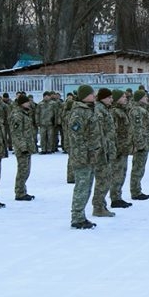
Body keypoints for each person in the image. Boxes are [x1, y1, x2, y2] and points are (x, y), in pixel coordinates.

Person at [65, 84, 99, 229]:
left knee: (87, 186)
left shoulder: (89, 110)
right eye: (92, 94)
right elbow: (76, 137)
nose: (94, 96)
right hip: (82, 156)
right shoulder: (79, 112)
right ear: (85, 95)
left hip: (90, 154)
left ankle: (81, 215)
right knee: (82, 187)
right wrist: (84, 153)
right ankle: (77, 217)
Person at [91, 88, 117, 218]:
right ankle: (98, 207)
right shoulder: (99, 111)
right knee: (103, 180)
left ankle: (101, 205)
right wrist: (104, 150)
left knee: (106, 179)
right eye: (109, 97)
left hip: (107, 148)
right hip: (102, 151)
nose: (111, 99)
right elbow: (99, 133)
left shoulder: (105, 109)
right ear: (102, 98)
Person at [9, 92, 37, 201]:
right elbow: (17, 133)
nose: (29, 104)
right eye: (26, 102)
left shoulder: (25, 113)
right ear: (21, 103)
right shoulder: (17, 115)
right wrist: (23, 147)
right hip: (22, 148)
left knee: (26, 170)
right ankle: (19, 192)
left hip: (27, 146)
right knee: (22, 170)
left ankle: (22, 190)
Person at [109, 90, 133, 210]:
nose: (125, 98)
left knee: (122, 173)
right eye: (123, 97)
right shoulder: (114, 112)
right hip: (118, 147)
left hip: (124, 147)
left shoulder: (123, 110)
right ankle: (115, 198)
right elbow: (113, 132)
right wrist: (116, 147)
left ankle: (118, 196)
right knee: (117, 173)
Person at [128, 89, 149, 201]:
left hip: (144, 142)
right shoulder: (137, 111)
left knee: (140, 168)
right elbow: (137, 129)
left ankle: (137, 189)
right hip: (141, 144)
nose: (146, 98)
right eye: (144, 97)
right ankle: (135, 191)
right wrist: (140, 144)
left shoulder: (141, 109)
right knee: (137, 168)